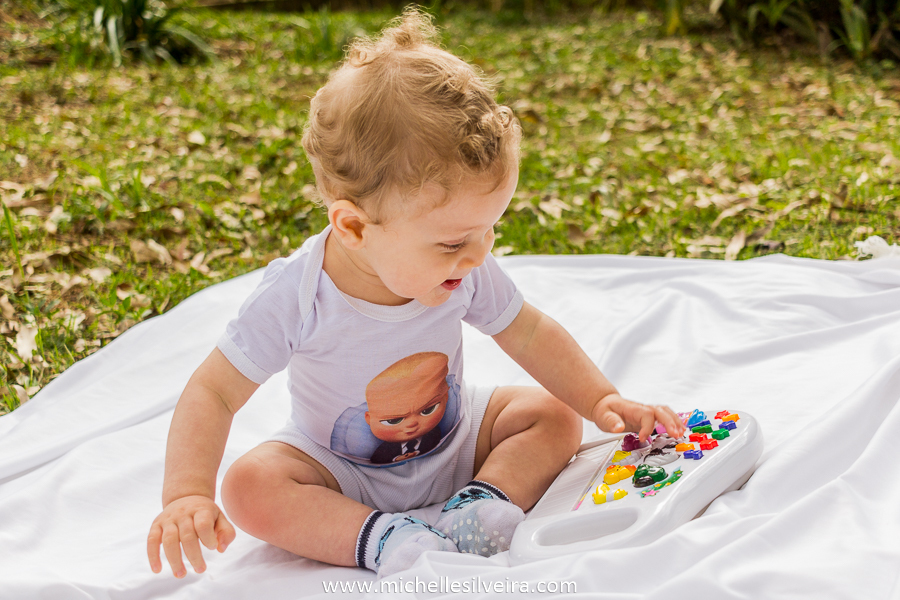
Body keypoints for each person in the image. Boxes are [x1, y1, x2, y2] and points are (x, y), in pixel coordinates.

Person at [146, 6, 685, 580]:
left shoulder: (465, 267)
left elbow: (527, 331)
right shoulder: (297, 296)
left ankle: (480, 502)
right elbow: (214, 392)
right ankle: (379, 537)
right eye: (454, 241)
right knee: (250, 486)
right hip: (339, 469)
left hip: (456, 442)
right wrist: (186, 493)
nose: (477, 256)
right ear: (354, 228)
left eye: (489, 231)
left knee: (551, 416)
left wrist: (600, 400)